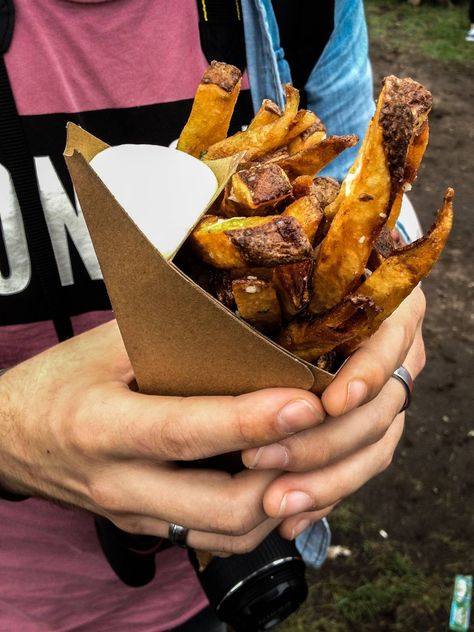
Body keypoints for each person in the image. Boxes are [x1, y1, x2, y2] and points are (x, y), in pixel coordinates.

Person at [0, 0, 426, 630]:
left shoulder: (305, 9)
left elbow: (358, 193)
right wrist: (11, 436)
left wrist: (392, 330)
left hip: (245, 552)